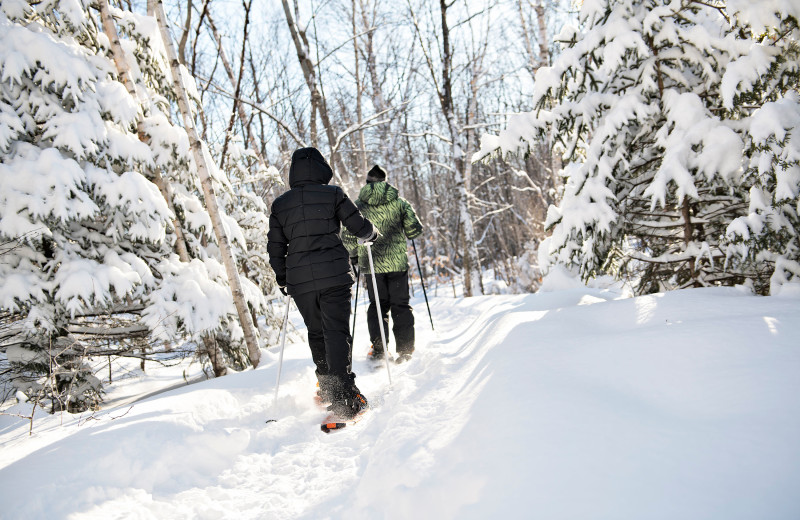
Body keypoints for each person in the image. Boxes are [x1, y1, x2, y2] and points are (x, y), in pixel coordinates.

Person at [267, 147, 377, 420]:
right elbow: (359, 227)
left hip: (300, 281)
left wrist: (283, 278)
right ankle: (344, 398)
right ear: (321, 168)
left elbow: (275, 247)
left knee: (317, 332)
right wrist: (371, 233)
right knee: (336, 332)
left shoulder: (281, 205)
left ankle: (329, 390)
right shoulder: (333, 194)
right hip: (334, 277)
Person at [343, 165, 423, 364]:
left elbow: (348, 236)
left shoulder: (358, 206)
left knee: (377, 306)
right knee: (401, 305)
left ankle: (379, 350)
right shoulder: (400, 203)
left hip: (371, 264)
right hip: (397, 263)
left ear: (368, 183)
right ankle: (405, 351)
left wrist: (353, 257)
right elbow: (414, 231)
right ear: (385, 181)